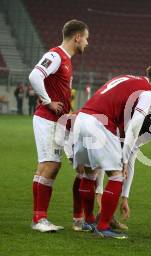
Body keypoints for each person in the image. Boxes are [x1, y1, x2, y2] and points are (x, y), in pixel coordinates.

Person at [73, 66, 151, 239]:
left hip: (81, 118)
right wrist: (124, 158)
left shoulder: (127, 77)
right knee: (117, 175)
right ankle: (102, 227)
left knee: (89, 173)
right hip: (99, 123)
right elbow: (137, 121)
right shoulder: (149, 92)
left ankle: (89, 220)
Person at [28, 19, 89, 232]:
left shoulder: (67, 60)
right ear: (77, 37)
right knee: (50, 164)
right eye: (86, 38)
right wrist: (48, 101)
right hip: (47, 118)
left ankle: (40, 217)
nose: (87, 43)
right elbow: (35, 75)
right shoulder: (55, 55)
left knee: (47, 166)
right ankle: (39, 220)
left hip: (56, 120)